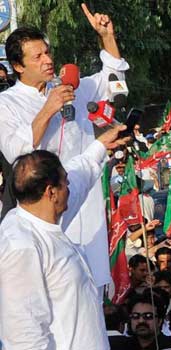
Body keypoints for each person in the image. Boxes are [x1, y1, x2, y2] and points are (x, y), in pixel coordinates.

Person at [0, 5, 130, 290]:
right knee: (53, 295)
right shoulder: (6, 104)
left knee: (90, 294)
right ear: (19, 66)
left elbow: (114, 82)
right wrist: (48, 109)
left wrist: (107, 37)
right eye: (38, 56)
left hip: (87, 204)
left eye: (47, 52)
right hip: (46, 214)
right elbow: (16, 153)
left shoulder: (73, 88)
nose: (48, 60)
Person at [0, 125, 127, 349]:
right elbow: (24, 336)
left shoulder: (45, 217)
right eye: (64, 182)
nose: (69, 186)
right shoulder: (21, 245)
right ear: (51, 192)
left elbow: (79, 175)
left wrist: (100, 146)